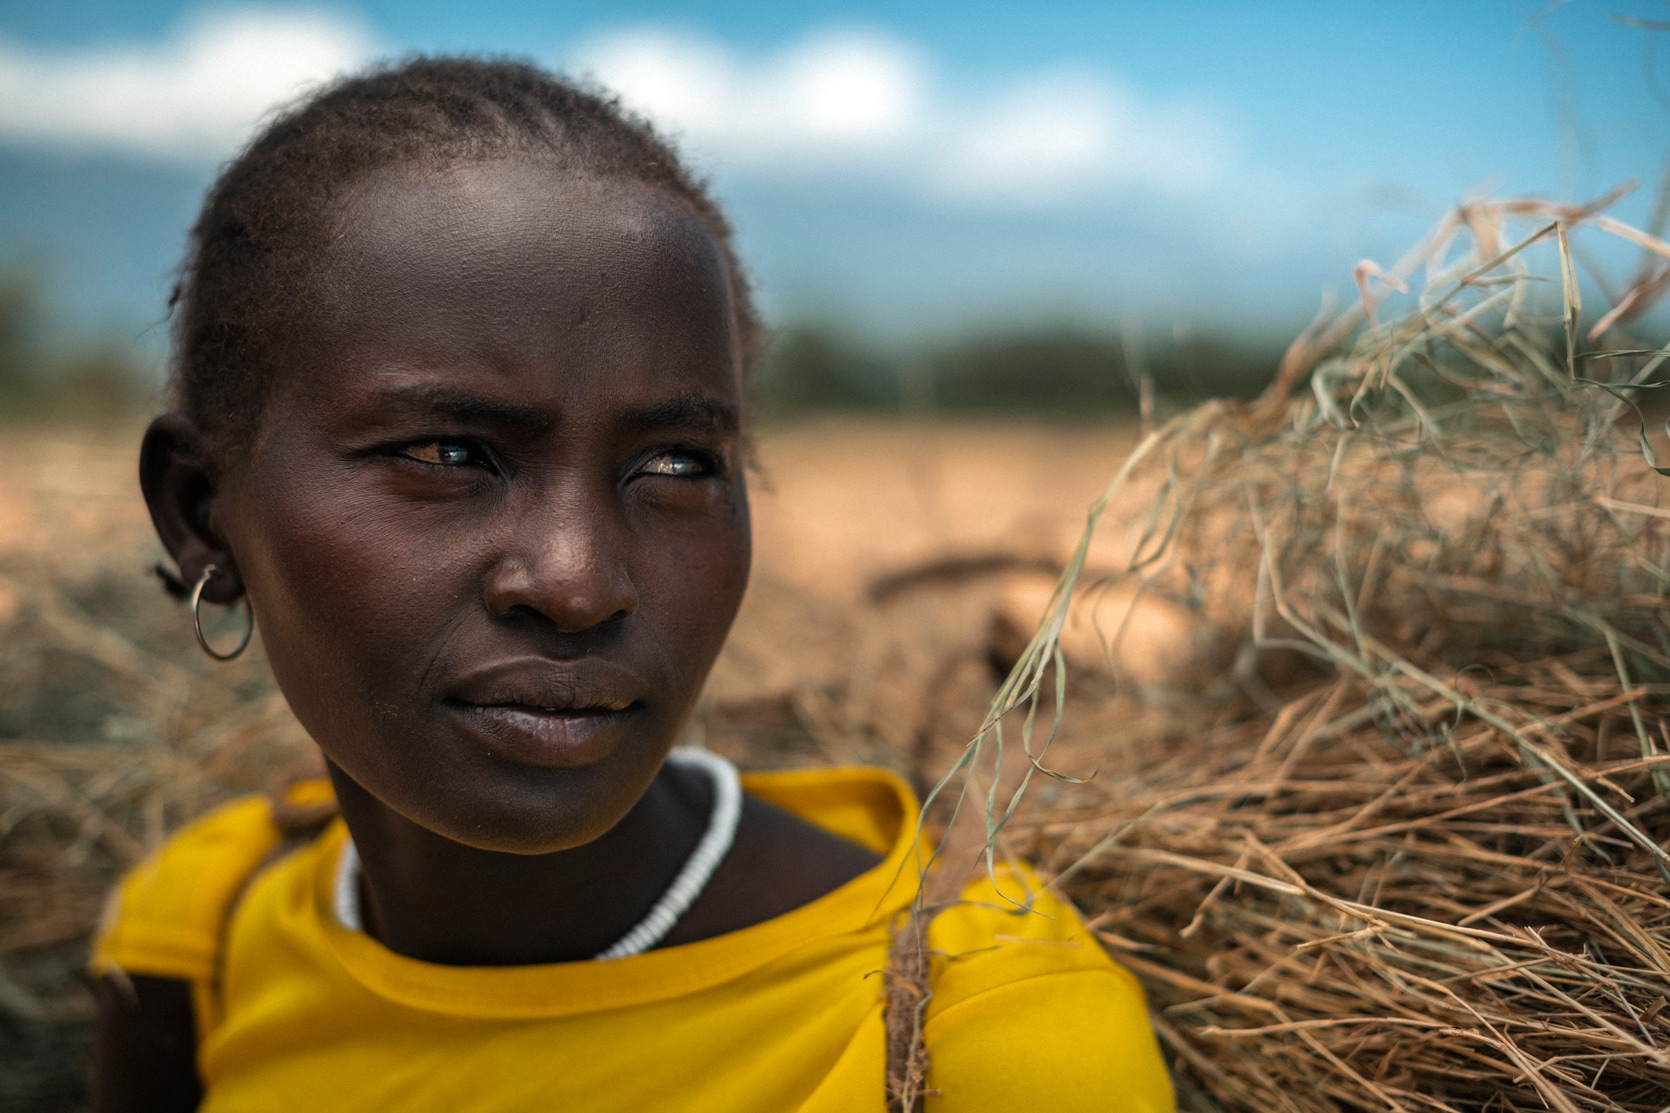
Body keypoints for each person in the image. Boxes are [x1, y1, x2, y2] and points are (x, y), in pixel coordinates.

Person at [89, 57, 1173, 1113]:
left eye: (676, 467)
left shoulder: (981, 1037)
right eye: (449, 455)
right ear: (200, 514)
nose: (577, 582)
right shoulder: (207, 926)